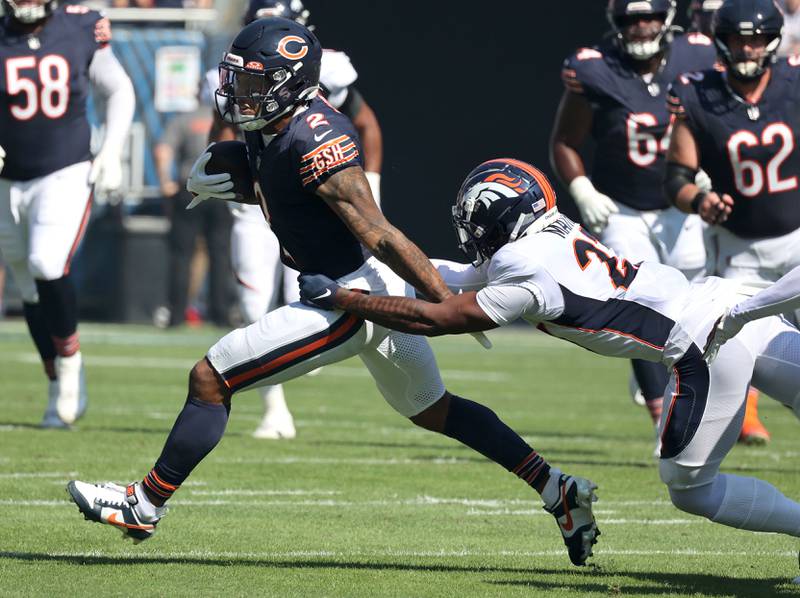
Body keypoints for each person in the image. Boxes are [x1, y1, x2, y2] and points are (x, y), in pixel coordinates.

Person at [66, 18, 600, 567]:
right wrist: (240, 186)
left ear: (288, 84)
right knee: (434, 410)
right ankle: (557, 489)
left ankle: (145, 502)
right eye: (239, 80)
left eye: (253, 83)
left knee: (211, 376)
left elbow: (381, 234)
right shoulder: (271, 123)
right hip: (353, 285)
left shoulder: (316, 140)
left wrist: (440, 300)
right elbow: (289, 196)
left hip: (347, 296)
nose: (238, 94)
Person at [298, 157, 800, 552]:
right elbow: (448, 277)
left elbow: (438, 318)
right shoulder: (550, 233)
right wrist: (372, 259)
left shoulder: (527, 271)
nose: (473, 233)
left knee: (690, 489)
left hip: (707, 345)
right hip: (729, 303)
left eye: (478, 222)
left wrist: (343, 299)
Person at [203, 0, 386, 440]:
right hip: (263, 198)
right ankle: (274, 406)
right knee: (252, 302)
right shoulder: (230, 75)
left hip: (310, 199)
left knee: (306, 289)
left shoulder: (331, 74)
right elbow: (223, 126)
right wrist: (216, 169)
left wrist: (371, 185)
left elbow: (368, 125)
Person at [550, 0, 721, 442]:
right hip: (623, 208)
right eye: (630, 18)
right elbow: (565, 141)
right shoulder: (594, 69)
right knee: (636, 305)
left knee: (696, 307)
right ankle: (663, 416)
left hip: (680, 206)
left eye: (648, 16)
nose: (640, 26)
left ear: (667, 17)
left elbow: (720, 114)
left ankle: (667, 374)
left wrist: (704, 164)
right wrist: (582, 188)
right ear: (615, 22)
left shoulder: (697, 54)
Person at [664, 0, 799, 447]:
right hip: (736, 246)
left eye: (756, 39)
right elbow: (678, 179)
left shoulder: (794, 85)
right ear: (721, 40)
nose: (748, 48)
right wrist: (701, 201)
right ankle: (733, 425)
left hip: (797, 239)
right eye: (740, 39)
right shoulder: (697, 93)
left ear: (772, 41)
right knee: (738, 347)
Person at [0, 0, 134, 427]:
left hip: (66, 170)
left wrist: (112, 149)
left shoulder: (79, 26)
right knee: (27, 284)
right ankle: (55, 377)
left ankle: (71, 363)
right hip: (8, 177)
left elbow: (117, 87)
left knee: (46, 262)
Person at [154, 104, 234, 328]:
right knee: (220, 255)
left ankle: (176, 315)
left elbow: (162, 151)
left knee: (181, 255)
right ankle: (221, 314)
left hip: (190, 189)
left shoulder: (183, 119)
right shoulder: (231, 120)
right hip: (222, 190)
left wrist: (164, 183)